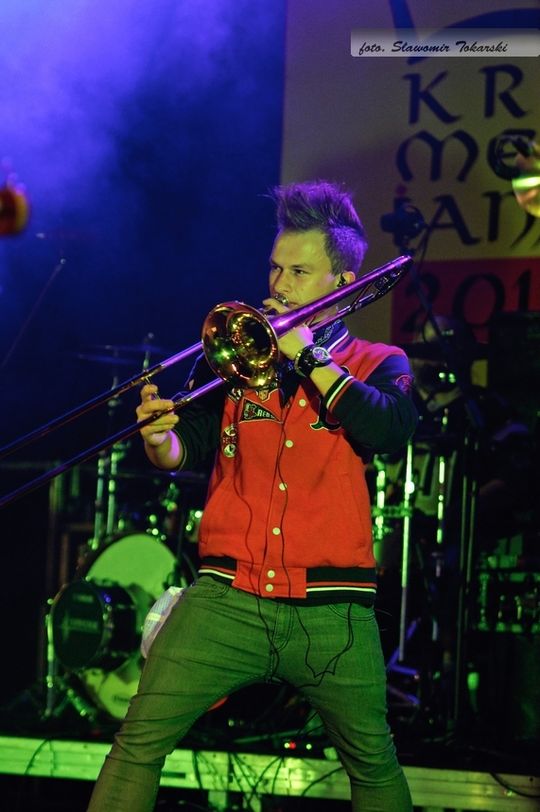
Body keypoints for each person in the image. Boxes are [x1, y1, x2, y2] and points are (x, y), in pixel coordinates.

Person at [86, 180, 417, 812]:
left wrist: (310, 358)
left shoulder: (379, 359)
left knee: (374, 764)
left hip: (333, 612)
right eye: (275, 268)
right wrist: (160, 440)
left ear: (343, 283)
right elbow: (188, 446)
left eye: (300, 271)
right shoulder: (237, 358)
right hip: (227, 598)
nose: (280, 284)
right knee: (137, 742)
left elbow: (389, 429)